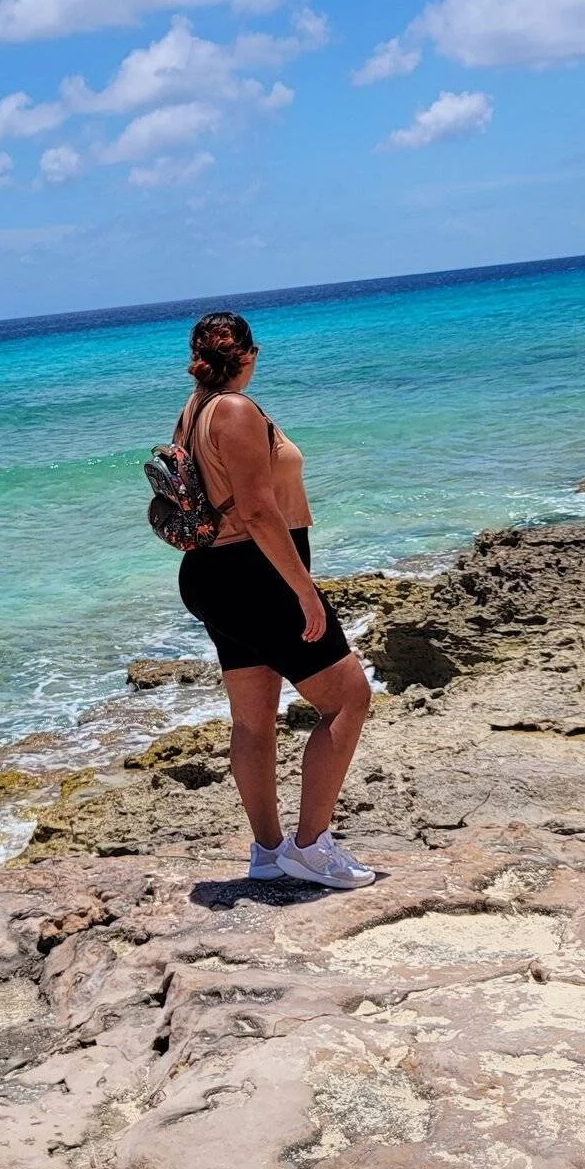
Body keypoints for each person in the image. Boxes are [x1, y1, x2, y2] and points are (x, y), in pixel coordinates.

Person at [171, 311, 376, 889]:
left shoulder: (193, 411)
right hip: (254, 576)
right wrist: (305, 592)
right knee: (348, 698)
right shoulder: (234, 410)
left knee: (254, 717)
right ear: (251, 353)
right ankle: (310, 847)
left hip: (218, 576)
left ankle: (267, 851)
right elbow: (259, 511)